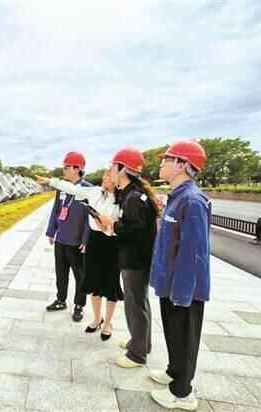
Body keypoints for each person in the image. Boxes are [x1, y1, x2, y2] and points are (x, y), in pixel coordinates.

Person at [148, 141, 211, 411]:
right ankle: (174, 372)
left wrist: (182, 293)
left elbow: (193, 253)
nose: (161, 163)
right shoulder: (177, 196)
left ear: (183, 165)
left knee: (184, 338)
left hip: (183, 288)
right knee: (174, 334)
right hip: (170, 283)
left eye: (167, 159)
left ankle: (183, 394)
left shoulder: (192, 201)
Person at [38, 169, 121, 339]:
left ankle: (107, 323)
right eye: (104, 175)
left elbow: (123, 225)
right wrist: (50, 181)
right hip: (94, 240)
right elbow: (71, 190)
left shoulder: (122, 199)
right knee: (94, 283)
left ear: (117, 179)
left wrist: (106, 229)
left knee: (110, 285)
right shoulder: (94, 192)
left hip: (111, 242)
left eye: (108, 176)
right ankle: (97, 319)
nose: (104, 178)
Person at [96, 147, 160, 368]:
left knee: (135, 306)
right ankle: (141, 343)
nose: (110, 171)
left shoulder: (133, 197)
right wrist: (111, 226)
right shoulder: (131, 193)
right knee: (139, 303)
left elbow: (134, 232)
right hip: (135, 259)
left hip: (135, 261)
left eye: (113, 167)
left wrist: (112, 224)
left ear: (122, 169)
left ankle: (137, 355)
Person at [44, 151, 92, 322]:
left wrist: (86, 239)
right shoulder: (62, 187)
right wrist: (51, 231)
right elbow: (56, 209)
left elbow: (91, 217)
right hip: (61, 238)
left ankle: (79, 305)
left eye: (66, 167)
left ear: (77, 169)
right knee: (61, 272)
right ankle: (60, 300)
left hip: (77, 241)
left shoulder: (87, 189)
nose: (63, 170)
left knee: (80, 275)